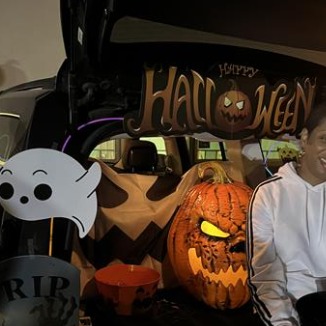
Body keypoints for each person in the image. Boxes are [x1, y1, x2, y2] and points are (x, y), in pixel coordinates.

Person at [246, 99, 326, 326]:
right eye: (324, 138)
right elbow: (265, 277)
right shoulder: (269, 195)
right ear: (304, 138)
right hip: (289, 312)